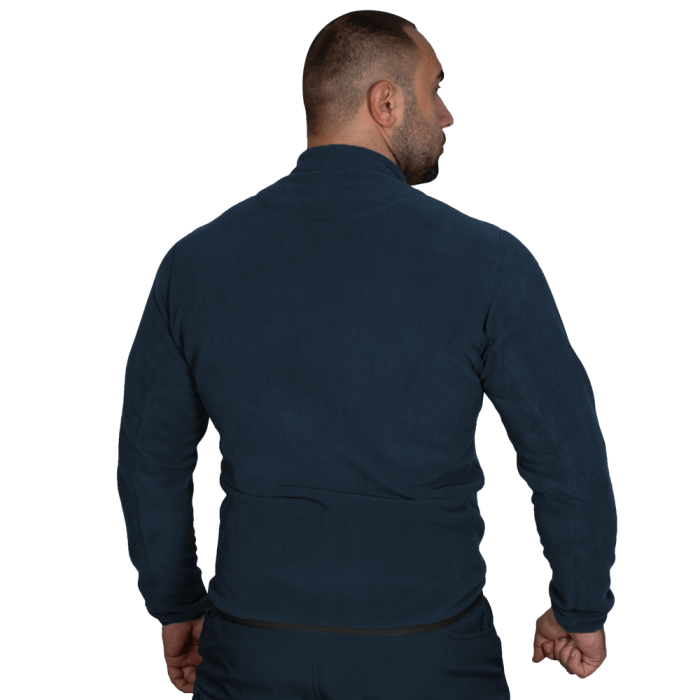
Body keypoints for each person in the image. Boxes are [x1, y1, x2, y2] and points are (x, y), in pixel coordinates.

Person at [118, 10, 616, 698]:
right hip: (429, 658)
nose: (447, 114)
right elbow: (565, 456)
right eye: (435, 89)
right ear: (385, 102)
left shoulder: (193, 263)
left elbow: (151, 462)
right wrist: (580, 608)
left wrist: (175, 605)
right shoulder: (490, 261)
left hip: (250, 653)